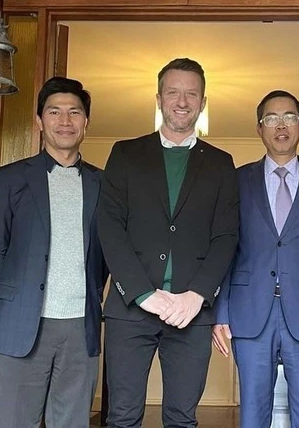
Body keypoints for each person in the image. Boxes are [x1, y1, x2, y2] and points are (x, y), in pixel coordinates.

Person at [98, 57, 239, 427]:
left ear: (203, 102)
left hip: (192, 312)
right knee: (122, 416)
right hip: (130, 308)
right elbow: (110, 228)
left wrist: (197, 295)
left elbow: (226, 236)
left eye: (192, 93)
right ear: (158, 99)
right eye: (173, 92)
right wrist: (145, 293)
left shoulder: (222, 163)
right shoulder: (125, 153)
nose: (182, 101)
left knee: (182, 418)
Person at [213, 90, 299, 427]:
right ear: (259, 128)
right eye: (271, 118)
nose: (280, 125)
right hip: (249, 310)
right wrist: (221, 312)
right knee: (253, 413)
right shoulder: (235, 181)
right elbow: (225, 250)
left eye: (289, 117)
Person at [0, 77, 109, 427]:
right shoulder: (9, 179)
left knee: (70, 421)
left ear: (86, 122)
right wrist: (10, 303)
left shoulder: (104, 184)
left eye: (74, 112)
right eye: (54, 112)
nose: (64, 121)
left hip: (80, 327)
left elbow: (107, 253)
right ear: (39, 121)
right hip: (21, 324)